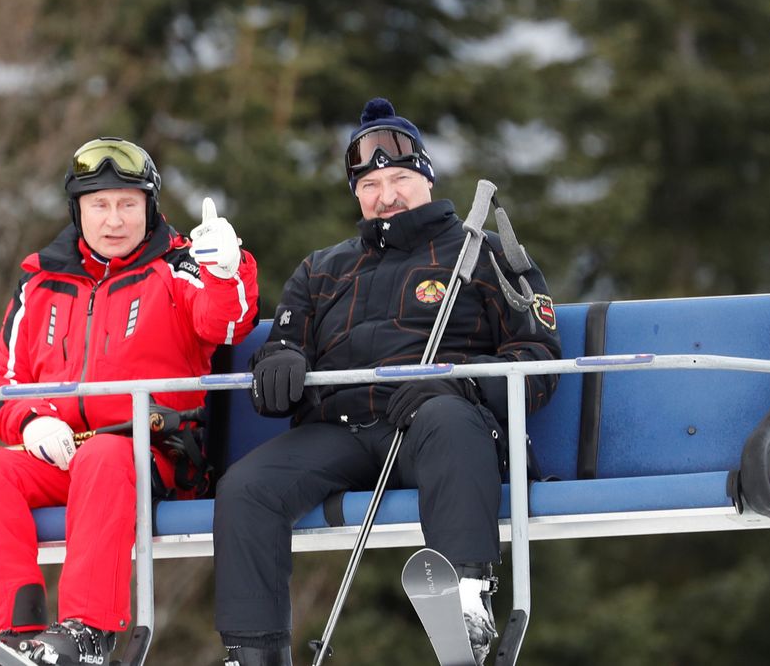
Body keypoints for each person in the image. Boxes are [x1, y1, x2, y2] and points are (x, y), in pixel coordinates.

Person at [211, 99, 562, 666]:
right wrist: (277, 363)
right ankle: (252, 652)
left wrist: (462, 387)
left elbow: (538, 354)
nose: (386, 195)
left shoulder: (482, 254)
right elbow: (285, 341)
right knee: (247, 487)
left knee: (446, 421)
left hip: (442, 427)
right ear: (356, 194)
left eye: (400, 177)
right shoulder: (322, 268)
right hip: (340, 429)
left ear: (425, 178)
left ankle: (466, 603)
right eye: (370, 184)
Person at [0, 137, 259, 666]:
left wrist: (226, 271)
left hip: (153, 452)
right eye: (100, 205)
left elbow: (227, 323)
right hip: (61, 454)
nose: (113, 220)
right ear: (79, 211)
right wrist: (29, 425)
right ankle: (14, 636)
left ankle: (89, 631)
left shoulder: (177, 268)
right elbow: (4, 377)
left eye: (127, 205)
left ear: (149, 208)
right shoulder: (42, 283)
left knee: (103, 458)